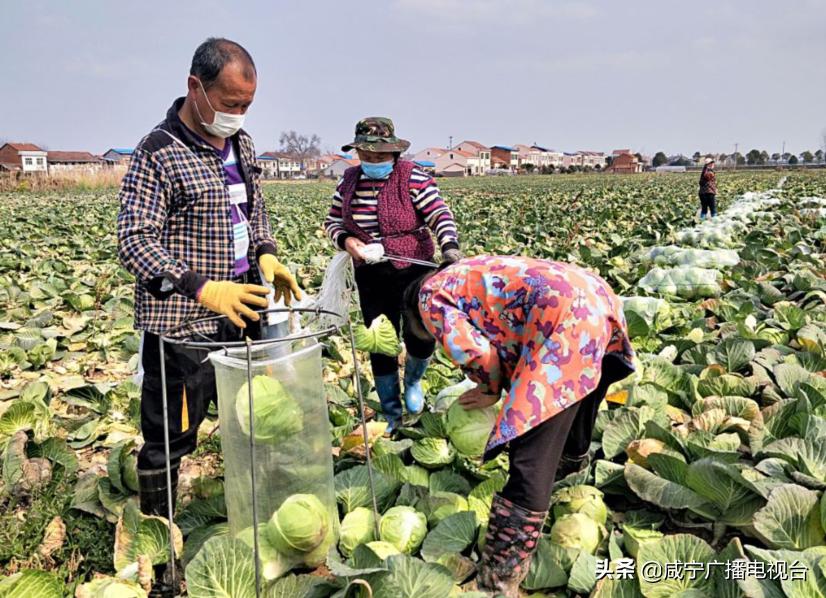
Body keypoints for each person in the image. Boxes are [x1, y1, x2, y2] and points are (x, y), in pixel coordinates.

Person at [117, 38, 301, 595]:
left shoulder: (239, 143)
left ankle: (259, 533)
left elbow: (254, 211)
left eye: (247, 104)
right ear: (196, 88)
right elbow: (134, 242)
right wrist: (202, 288)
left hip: (244, 312)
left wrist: (265, 252)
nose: (238, 114)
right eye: (231, 102)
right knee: (170, 439)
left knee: (256, 425)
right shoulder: (158, 151)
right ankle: (163, 559)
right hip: (182, 327)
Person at [402, 255, 635, 597]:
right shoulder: (461, 271)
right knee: (575, 403)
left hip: (563, 320)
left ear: (411, 317)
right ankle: (567, 476)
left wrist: (488, 388)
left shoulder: (429, 298)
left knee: (529, 459)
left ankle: (497, 580)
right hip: (597, 299)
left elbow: (477, 353)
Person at [324, 117, 462, 433]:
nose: (373, 161)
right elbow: (333, 222)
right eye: (367, 156)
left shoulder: (413, 177)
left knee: (420, 330)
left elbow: (439, 214)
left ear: (394, 153)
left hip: (413, 267)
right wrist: (347, 241)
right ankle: (391, 412)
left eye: (380, 156)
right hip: (370, 272)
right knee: (380, 339)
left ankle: (413, 381)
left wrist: (450, 247)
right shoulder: (348, 182)